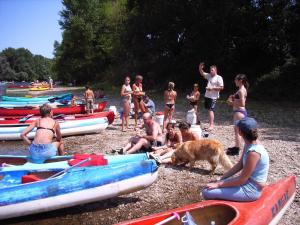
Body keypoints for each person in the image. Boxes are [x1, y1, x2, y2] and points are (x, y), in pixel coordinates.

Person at [202, 117, 269, 202]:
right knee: (210, 185)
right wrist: (221, 178)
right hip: (247, 182)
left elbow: (242, 180)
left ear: (240, 132)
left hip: (251, 190)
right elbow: (240, 164)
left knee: (206, 192)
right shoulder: (250, 144)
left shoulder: (253, 153)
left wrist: (218, 185)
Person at [226, 74, 249, 155]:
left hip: (239, 112)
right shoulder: (243, 89)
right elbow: (240, 100)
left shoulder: (240, 90)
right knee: (239, 131)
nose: (235, 81)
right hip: (240, 112)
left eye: (236, 79)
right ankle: (237, 146)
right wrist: (233, 98)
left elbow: (242, 103)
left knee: (237, 132)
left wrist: (230, 102)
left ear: (240, 81)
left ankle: (236, 149)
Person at [199, 62, 224, 131]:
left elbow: (222, 87)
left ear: (216, 70)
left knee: (211, 110)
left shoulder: (219, 77)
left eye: (212, 70)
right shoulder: (209, 76)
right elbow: (202, 73)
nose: (211, 71)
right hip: (207, 95)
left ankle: (211, 125)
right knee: (209, 110)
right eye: (210, 70)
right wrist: (200, 67)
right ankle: (210, 123)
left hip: (213, 97)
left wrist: (212, 88)